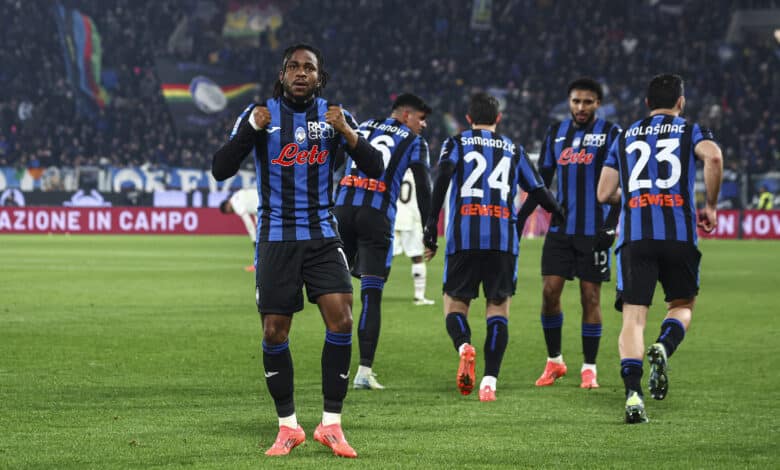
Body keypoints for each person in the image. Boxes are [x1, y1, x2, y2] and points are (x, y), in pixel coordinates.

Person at [211, 43, 383, 457]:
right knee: (274, 331)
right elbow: (220, 169)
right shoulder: (260, 115)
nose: (301, 73)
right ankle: (288, 426)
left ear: (319, 77)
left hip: (323, 235)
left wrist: (346, 132)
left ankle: (331, 424)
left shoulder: (333, 116)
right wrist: (250, 129)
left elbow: (376, 168)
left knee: (342, 320)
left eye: (309, 68)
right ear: (282, 73)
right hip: (275, 238)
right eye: (294, 66)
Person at [597, 73, 723, 423]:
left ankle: (634, 396)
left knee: (633, 318)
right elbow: (712, 158)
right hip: (679, 235)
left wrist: (637, 196)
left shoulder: (623, 136)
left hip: (636, 238)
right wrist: (710, 206)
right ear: (680, 102)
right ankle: (664, 346)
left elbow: (604, 194)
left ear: (646, 103)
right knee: (682, 304)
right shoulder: (688, 129)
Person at [424, 92, 564, 402]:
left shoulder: (457, 142)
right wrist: (559, 211)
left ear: (469, 119)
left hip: (464, 238)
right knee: (498, 310)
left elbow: (443, 176)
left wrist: (431, 224)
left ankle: (464, 346)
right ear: (498, 119)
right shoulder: (514, 149)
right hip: (502, 240)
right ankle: (489, 381)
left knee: (455, 305)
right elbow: (540, 191)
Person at [516, 78, 622, 389]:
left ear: (597, 104)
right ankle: (555, 362)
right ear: (569, 102)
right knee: (550, 293)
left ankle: (589, 368)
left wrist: (612, 223)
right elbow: (540, 181)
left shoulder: (612, 134)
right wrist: (520, 218)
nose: (581, 107)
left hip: (595, 230)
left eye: (587, 102)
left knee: (590, 297)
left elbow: (620, 185)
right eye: (576, 101)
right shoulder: (556, 133)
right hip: (561, 228)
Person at [333, 93, 433, 390]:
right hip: (376, 216)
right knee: (371, 295)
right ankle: (364, 371)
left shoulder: (362, 126)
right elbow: (424, 187)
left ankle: (336, 366)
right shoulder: (415, 142)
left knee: (335, 289)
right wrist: (430, 227)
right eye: (421, 118)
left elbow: (336, 159)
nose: (423, 125)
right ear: (405, 115)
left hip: (343, 210)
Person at [393, 168, 435, 306]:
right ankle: (419, 296)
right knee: (417, 257)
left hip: (394, 218)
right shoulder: (419, 175)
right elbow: (424, 198)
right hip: (411, 219)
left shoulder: (396, 171)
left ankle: (372, 292)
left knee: (384, 258)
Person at [220, 188, 259, 272]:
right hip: (264, 200)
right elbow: (255, 209)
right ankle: (260, 264)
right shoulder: (236, 195)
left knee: (259, 240)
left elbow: (248, 223)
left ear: (227, 206)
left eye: (227, 212)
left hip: (262, 203)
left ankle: (258, 265)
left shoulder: (236, 204)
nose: (230, 213)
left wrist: (254, 238)